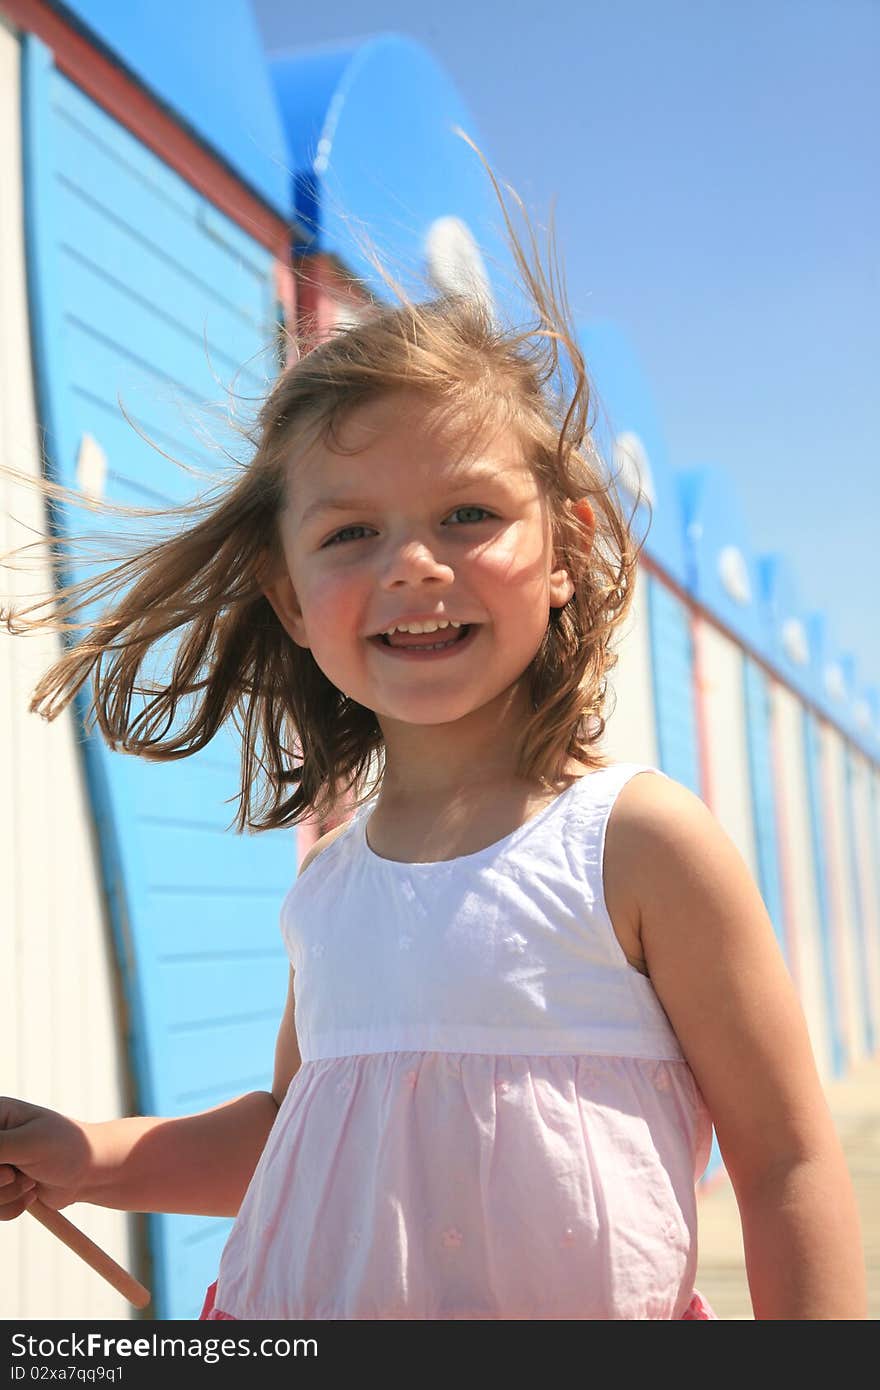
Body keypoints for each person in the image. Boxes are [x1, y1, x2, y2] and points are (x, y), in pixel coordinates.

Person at [0, 147, 867, 1320]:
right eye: (350, 532)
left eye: (468, 513)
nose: (414, 563)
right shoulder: (332, 882)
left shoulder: (639, 842)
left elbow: (788, 1164)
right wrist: (84, 1154)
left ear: (562, 547)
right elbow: (296, 1134)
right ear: (290, 596)